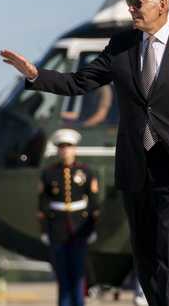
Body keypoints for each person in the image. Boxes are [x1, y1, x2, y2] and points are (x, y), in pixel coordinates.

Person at [1, 0, 169, 306]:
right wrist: (36, 75)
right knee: (145, 252)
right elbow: (80, 82)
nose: (131, 10)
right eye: (128, 2)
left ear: (162, 5)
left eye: (137, 3)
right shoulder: (121, 46)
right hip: (135, 166)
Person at [37, 128, 100, 306]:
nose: (65, 150)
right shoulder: (49, 173)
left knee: (78, 273)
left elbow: (94, 204)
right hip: (57, 228)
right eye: (62, 147)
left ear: (75, 149)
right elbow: (42, 205)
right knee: (62, 276)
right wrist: (44, 230)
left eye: (69, 146)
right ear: (58, 150)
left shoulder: (86, 172)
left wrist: (92, 229)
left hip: (79, 228)